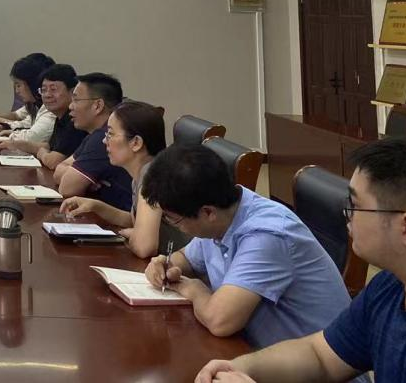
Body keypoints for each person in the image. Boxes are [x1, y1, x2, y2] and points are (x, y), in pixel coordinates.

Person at [196, 138, 406, 383]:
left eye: (355, 205)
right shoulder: (389, 286)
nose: (347, 215)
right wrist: (240, 366)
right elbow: (320, 356)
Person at [141, 144, 351, 350]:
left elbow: (219, 321)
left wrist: (193, 289)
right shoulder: (223, 214)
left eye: (175, 220)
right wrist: (165, 265)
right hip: (256, 351)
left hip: (315, 365)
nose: (176, 226)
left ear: (208, 213)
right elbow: (186, 258)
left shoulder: (267, 235)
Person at [59, 101, 189, 258]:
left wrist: (134, 234)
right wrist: (96, 206)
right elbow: (136, 221)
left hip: (182, 266)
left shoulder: (152, 175)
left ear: (136, 143)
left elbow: (144, 247)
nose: (104, 141)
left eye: (110, 134)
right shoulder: (143, 172)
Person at [51, 73, 134, 212]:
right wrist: (88, 180)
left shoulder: (105, 137)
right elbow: (60, 169)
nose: (70, 106)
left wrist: (78, 177)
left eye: (76, 100)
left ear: (97, 105)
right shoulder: (97, 134)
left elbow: (67, 188)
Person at [0, 64, 86, 169]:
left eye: (53, 89)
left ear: (72, 92)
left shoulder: (75, 120)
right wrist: (16, 144)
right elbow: (48, 146)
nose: (47, 95)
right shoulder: (60, 117)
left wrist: (42, 153)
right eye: (43, 90)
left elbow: (53, 161)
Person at [0, 55, 56, 147]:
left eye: (18, 85)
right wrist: (2, 127)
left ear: (33, 84)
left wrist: (2, 126)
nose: (17, 91)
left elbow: (32, 138)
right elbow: (25, 124)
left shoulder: (51, 108)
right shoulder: (36, 105)